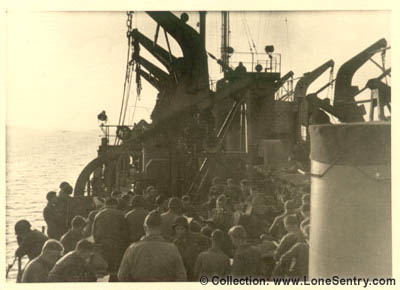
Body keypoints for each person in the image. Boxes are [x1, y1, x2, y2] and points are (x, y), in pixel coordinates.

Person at [118, 210, 187, 281]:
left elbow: (122, 276)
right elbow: (181, 276)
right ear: (160, 228)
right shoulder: (172, 249)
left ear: (145, 228)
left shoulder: (132, 249)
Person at [93, 197, 129, 281]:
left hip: (104, 246)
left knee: (104, 271)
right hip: (117, 246)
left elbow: (95, 233)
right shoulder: (120, 215)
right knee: (115, 271)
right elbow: (125, 233)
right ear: (115, 205)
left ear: (106, 205)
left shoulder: (98, 215)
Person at [172, 216, 209, 281]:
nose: (179, 232)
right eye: (177, 229)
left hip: (198, 273)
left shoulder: (198, 238)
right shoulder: (176, 243)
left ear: (186, 229)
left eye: (182, 229)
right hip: (185, 273)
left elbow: (206, 251)